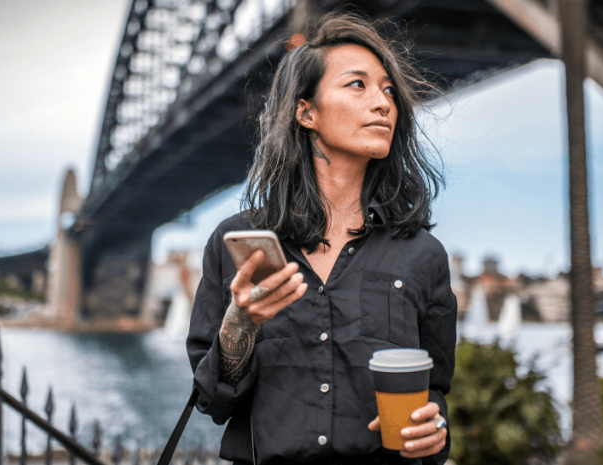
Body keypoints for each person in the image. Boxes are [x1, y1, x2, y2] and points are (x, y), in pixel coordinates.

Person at [186, 11, 456, 465]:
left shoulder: (422, 256)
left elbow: (435, 391)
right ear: (306, 112)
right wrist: (240, 324)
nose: (383, 103)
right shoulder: (238, 242)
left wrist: (436, 430)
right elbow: (214, 401)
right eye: (358, 85)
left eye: (388, 89)